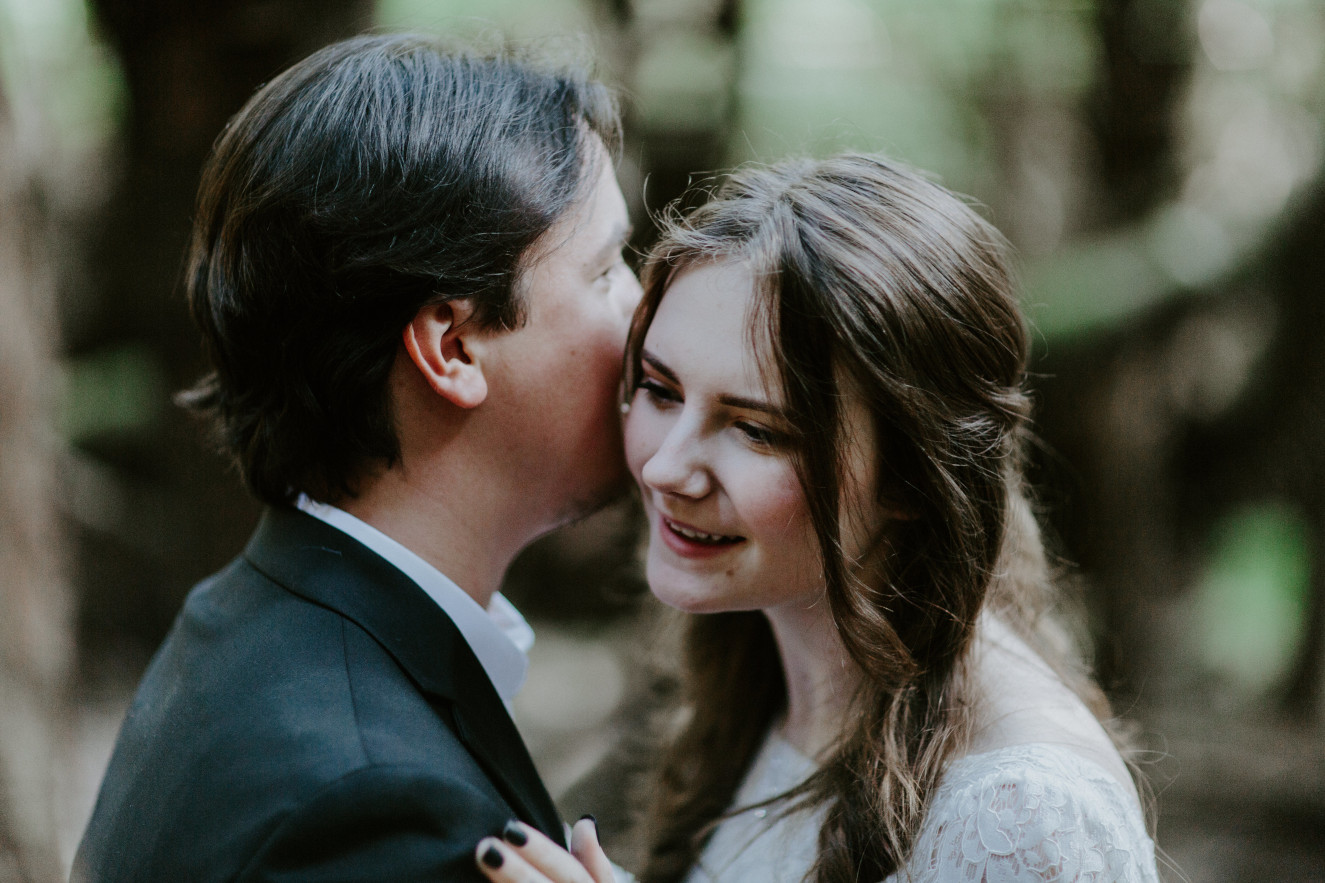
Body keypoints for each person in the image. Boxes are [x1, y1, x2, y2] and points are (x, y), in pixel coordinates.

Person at [472, 154, 1161, 882]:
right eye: (659, 388)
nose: (665, 467)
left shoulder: (1020, 813)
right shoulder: (757, 667)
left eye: (758, 430)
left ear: (911, 476)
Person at [73, 33, 640, 883]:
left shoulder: (245, 618)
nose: (643, 314)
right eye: (604, 272)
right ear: (451, 346)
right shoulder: (377, 806)